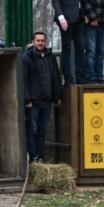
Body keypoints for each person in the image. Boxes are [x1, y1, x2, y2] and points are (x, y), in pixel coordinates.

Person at [22, 32, 62, 162]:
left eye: (42, 40)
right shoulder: (26, 58)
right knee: (32, 131)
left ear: (45, 41)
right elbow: (24, 80)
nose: (40, 43)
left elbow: (56, 77)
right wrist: (26, 100)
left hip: (47, 100)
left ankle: (41, 158)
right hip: (33, 102)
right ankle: (34, 158)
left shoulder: (50, 57)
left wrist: (57, 97)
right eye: (38, 40)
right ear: (33, 42)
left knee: (42, 132)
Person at [52, 0, 89, 85]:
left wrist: (84, 13)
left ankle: (80, 77)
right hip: (66, 19)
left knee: (80, 47)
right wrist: (61, 17)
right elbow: (55, 0)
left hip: (78, 17)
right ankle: (67, 78)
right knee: (66, 48)